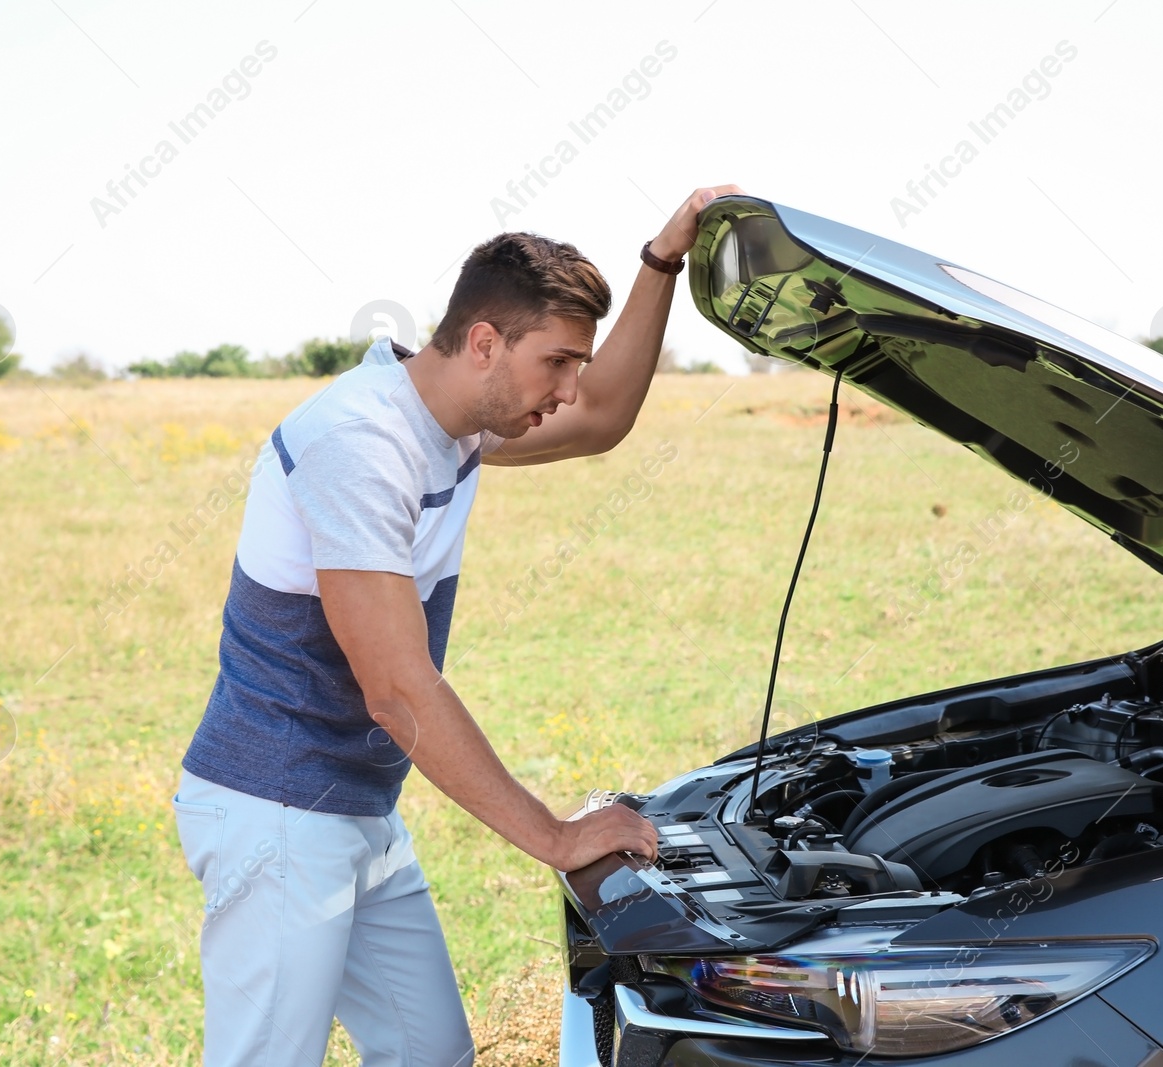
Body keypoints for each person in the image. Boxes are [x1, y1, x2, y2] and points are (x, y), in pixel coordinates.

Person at [172, 184, 740, 1066]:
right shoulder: (358, 442)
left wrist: (661, 259)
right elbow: (398, 690)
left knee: (431, 1052)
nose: (569, 387)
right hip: (277, 812)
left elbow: (606, 417)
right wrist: (554, 836)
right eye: (556, 361)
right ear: (484, 343)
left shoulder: (452, 424)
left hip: (357, 808)